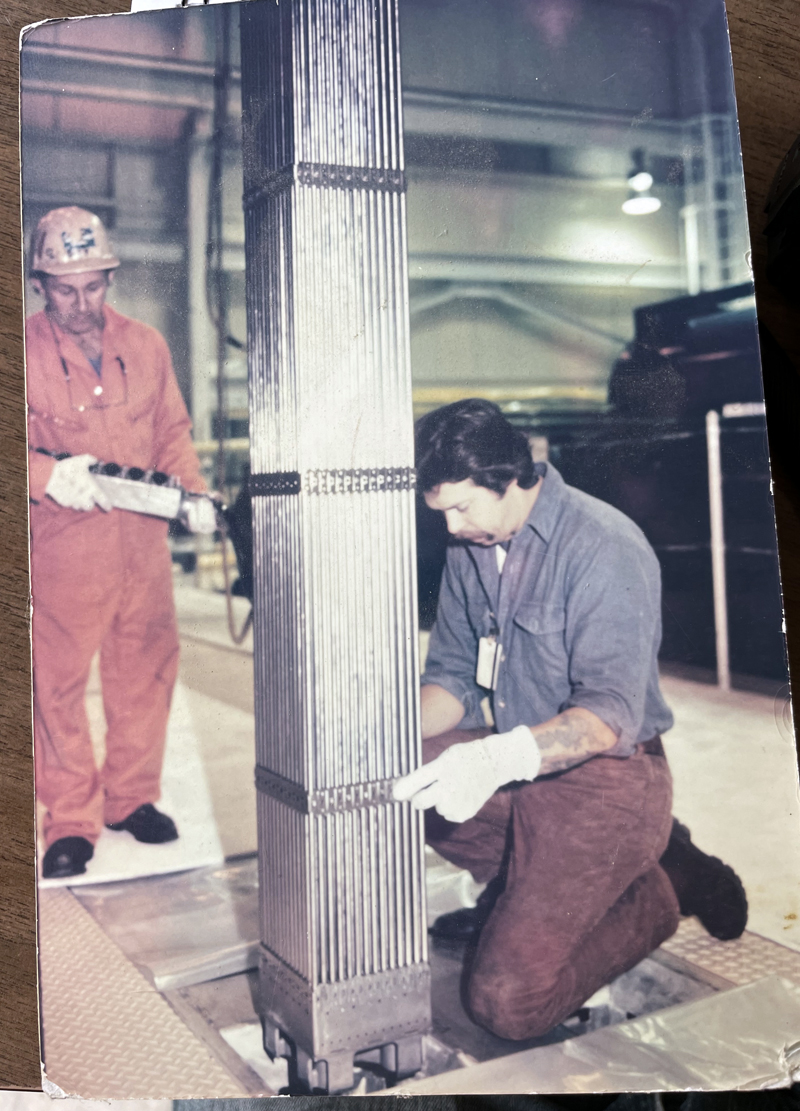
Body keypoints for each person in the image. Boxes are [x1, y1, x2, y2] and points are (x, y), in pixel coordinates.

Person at [394, 398, 748, 1041]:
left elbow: (608, 716)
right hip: (521, 765)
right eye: (439, 511)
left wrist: (494, 759)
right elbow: (451, 679)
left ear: (507, 478)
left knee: (509, 1004)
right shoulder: (472, 550)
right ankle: (522, 897)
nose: (450, 527)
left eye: (461, 507)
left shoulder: (604, 546)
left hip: (608, 779)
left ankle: (661, 884)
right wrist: (383, 735)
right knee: (406, 776)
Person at [26, 206, 216, 880]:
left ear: (109, 276)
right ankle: (71, 817)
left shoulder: (148, 345)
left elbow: (171, 430)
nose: (80, 303)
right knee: (58, 685)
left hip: (142, 540)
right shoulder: (17, 350)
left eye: (93, 286)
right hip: (64, 543)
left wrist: (192, 493)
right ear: (41, 283)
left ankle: (131, 797)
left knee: (145, 670)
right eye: (64, 288)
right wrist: (46, 475)